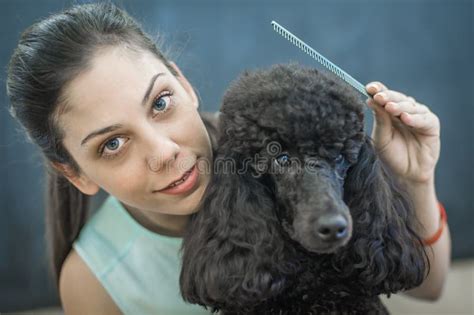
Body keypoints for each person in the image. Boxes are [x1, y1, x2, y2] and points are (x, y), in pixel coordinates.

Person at [6, 2, 451, 315]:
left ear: (183, 82)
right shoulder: (93, 281)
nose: (164, 152)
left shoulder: (284, 141)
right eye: (112, 145)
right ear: (74, 172)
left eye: (160, 102)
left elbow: (429, 288)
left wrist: (415, 180)